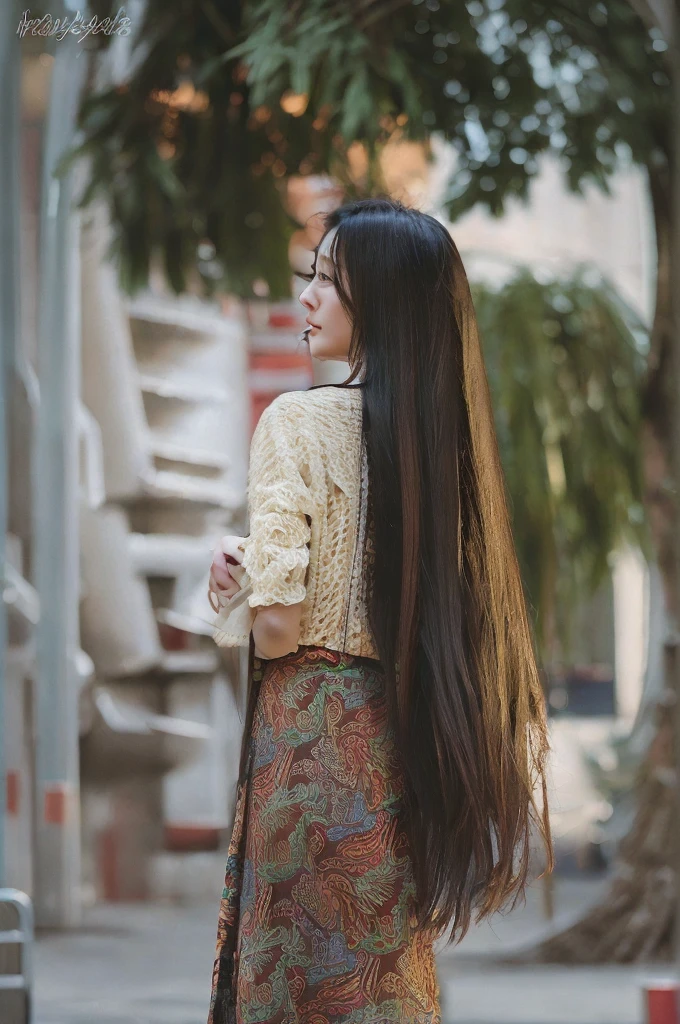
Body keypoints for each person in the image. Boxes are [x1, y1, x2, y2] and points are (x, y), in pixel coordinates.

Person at [206, 197, 553, 1024]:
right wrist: (259, 576)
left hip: (307, 749)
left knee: (291, 991)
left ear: (383, 302)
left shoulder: (295, 421)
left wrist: (245, 591)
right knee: (379, 989)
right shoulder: (442, 448)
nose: (308, 299)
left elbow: (281, 628)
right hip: (396, 747)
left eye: (330, 281)